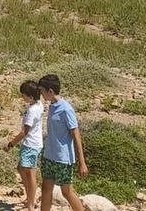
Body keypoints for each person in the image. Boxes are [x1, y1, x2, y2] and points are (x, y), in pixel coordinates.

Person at [37, 74, 87, 211]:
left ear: (50, 91)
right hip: (49, 156)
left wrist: (82, 162)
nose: (41, 94)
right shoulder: (52, 106)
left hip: (62, 158)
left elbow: (76, 134)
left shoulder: (66, 109)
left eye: (42, 91)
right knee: (46, 188)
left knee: (67, 191)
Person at [5, 80, 46, 210]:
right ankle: (30, 197)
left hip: (31, 144)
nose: (22, 97)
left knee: (30, 172)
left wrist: (11, 144)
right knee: (21, 168)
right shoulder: (38, 105)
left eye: (24, 95)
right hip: (32, 143)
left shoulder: (33, 110)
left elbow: (25, 131)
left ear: (31, 96)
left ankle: (30, 202)